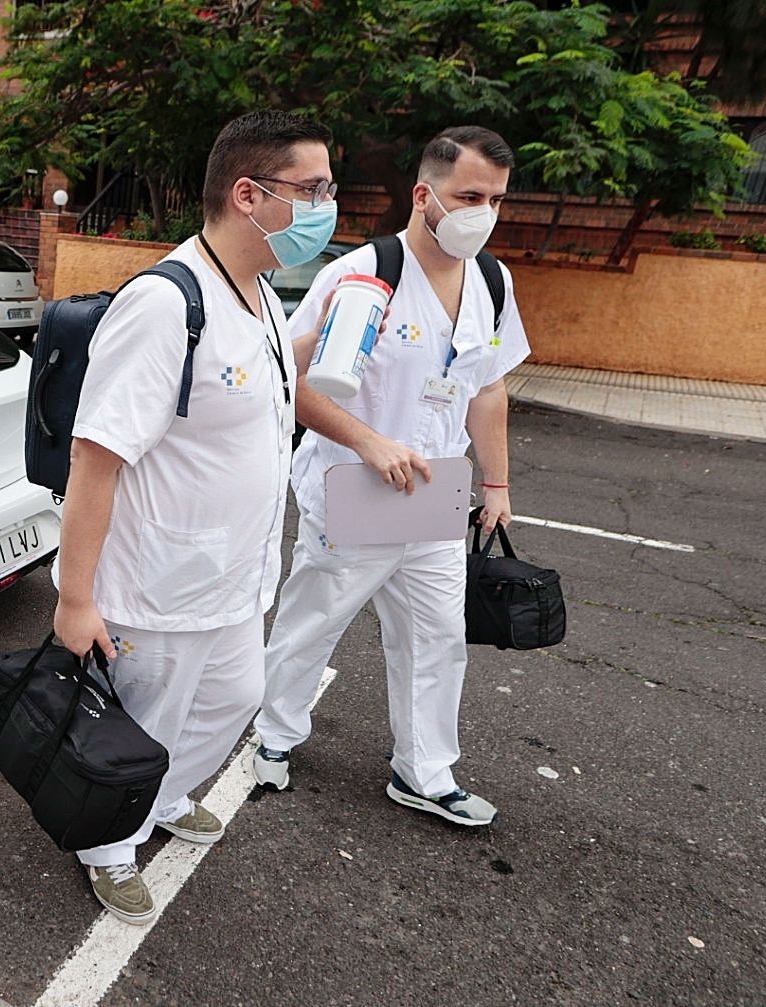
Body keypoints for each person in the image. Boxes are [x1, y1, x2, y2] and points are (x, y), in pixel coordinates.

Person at [53, 109, 336, 925]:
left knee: (234, 699)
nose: (327, 206)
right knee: (139, 724)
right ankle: (107, 846)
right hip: (157, 584)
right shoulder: (163, 302)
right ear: (249, 194)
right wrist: (76, 598)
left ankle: (164, 796)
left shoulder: (259, 295)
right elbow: (94, 458)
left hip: (235, 577)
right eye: (311, 189)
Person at [251, 125, 530, 827]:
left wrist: (493, 484)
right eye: (470, 194)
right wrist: (370, 443)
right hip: (354, 489)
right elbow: (294, 382)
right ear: (423, 194)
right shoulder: (361, 275)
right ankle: (275, 735)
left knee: (436, 635)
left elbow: (486, 389)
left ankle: (424, 770)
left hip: (435, 494)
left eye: (495, 198)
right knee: (312, 625)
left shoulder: (492, 282)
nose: (484, 211)